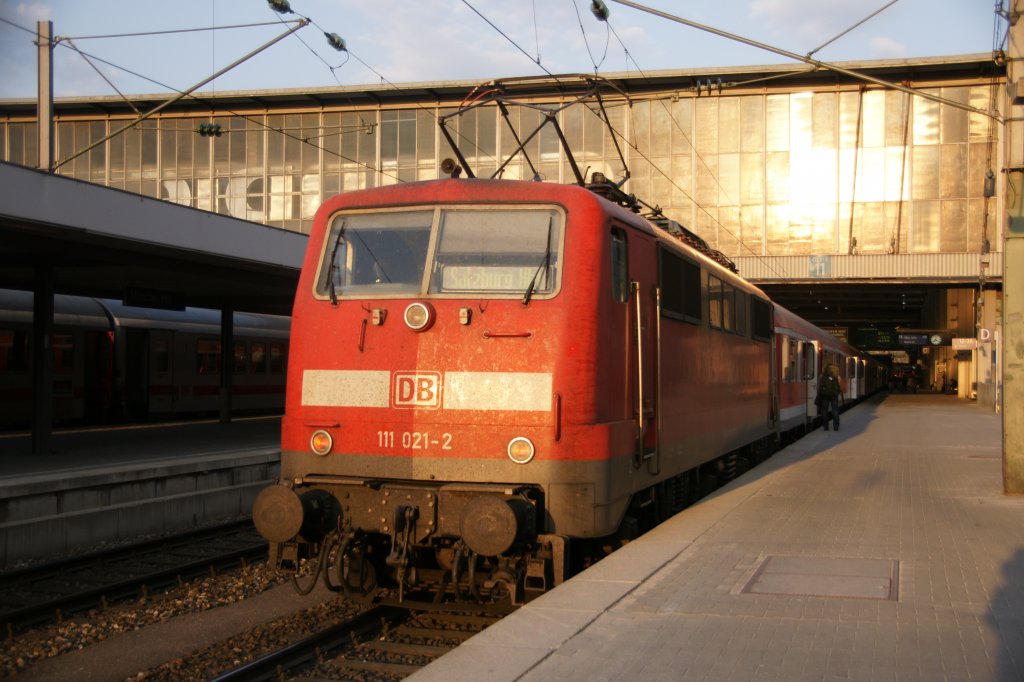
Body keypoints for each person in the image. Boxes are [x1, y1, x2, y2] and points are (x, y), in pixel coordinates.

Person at [816, 363, 842, 431]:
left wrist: (820, 393)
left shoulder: (822, 376)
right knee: (835, 410)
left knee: (824, 410)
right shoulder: (837, 376)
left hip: (825, 395)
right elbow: (839, 386)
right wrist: (837, 393)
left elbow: (819, 386)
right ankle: (836, 426)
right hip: (834, 396)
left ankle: (825, 426)